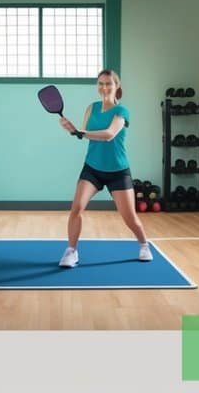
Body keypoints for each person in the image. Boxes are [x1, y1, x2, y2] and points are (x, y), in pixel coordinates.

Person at [57, 69, 150, 267]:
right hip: (92, 168)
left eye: (108, 83)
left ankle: (144, 245)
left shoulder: (122, 111)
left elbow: (108, 134)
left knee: (130, 218)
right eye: (100, 83)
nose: (104, 87)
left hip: (118, 171)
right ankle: (71, 251)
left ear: (117, 87)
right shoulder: (91, 108)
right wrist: (71, 129)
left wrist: (80, 132)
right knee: (76, 209)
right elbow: (84, 133)